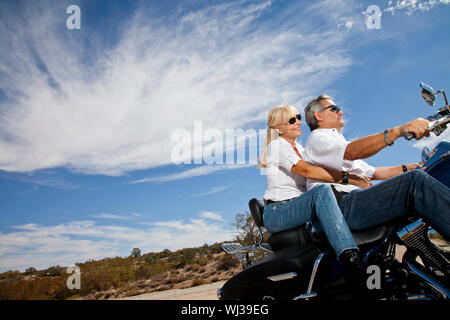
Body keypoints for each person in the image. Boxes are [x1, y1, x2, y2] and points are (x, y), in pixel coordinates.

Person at [303, 94, 450, 272]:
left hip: (355, 201)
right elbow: (351, 153)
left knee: (419, 176)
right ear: (319, 116)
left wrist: (418, 166)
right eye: (334, 108)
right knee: (414, 182)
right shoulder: (319, 137)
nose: (340, 112)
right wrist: (398, 131)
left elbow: (374, 172)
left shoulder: (336, 141)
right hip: (341, 207)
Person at [259, 105, 372, 262]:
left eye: (298, 117)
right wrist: (349, 178)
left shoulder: (301, 149)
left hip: (299, 206)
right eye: (291, 120)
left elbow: (324, 169)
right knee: (322, 192)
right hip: (278, 211)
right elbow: (309, 171)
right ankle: (350, 257)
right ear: (278, 129)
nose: (298, 122)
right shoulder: (277, 146)